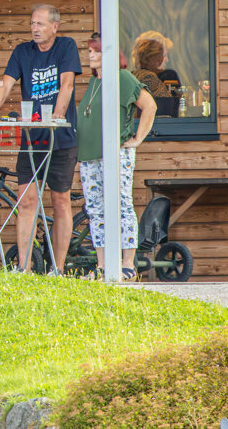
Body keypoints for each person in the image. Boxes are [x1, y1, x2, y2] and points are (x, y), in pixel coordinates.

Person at [0, 4, 81, 274]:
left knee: (60, 200)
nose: (34, 29)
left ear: (55, 26)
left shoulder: (66, 46)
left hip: (61, 137)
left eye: (40, 24)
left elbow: (67, 85)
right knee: (27, 200)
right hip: (31, 138)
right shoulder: (22, 51)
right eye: (32, 24)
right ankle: (24, 269)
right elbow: (6, 85)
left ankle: (58, 270)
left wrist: (56, 117)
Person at [77, 33, 157, 281]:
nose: (91, 55)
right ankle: (102, 265)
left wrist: (137, 139)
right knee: (96, 210)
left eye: (96, 51)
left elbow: (150, 105)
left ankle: (128, 264)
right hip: (89, 156)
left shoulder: (122, 78)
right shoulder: (95, 81)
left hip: (116, 154)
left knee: (122, 205)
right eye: (90, 51)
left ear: (109, 55)